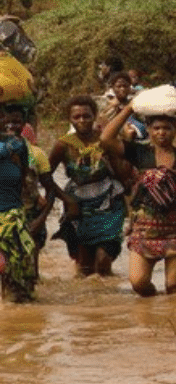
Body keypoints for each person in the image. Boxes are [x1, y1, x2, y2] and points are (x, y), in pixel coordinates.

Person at [101, 104, 176, 296]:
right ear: (148, 130)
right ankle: (152, 310)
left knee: (174, 288)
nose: (161, 133)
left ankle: (170, 323)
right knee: (138, 283)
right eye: (156, 128)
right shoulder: (139, 153)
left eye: (167, 128)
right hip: (144, 230)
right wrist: (129, 109)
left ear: (175, 131)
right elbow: (106, 139)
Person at [49, 96, 126, 277]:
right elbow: (45, 177)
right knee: (84, 267)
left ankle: (110, 299)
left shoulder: (105, 140)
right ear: (70, 119)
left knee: (103, 262)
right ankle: (89, 302)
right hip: (78, 208)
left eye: (86, 116)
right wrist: (66, 199)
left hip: (108, 203)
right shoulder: (63, 145)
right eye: (77, 117)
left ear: (94, 116)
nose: (82, 120)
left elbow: (122, 173)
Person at [0, 106, 37, 302]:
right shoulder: (12, 145)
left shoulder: (18, 144)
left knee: (19, 270)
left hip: (13, 213)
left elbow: (24, 176)